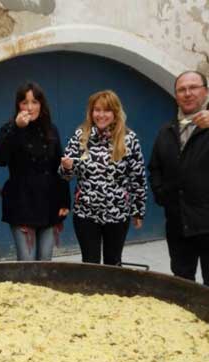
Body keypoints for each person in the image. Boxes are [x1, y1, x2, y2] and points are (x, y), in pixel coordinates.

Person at [59, 90, 146, 266]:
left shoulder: (129, 139)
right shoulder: (80, 136)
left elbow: (138, 177)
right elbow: (65, 175)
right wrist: (66, 166)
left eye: (106, 110)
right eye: (96, 110)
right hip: (86, 213)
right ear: (91, 112)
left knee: (113, 263)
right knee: (90, 263)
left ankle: (111, 293)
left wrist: (138, 210)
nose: (101, 115)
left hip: (117, 213)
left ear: (115, 112)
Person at [149, 71, 209, 289]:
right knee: (181, 284)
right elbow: (155, 167)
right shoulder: (167, 131)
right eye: (181, 89)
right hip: (178, 224)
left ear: (206, 91)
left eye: (193, 87)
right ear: (176, 95)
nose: (188, 93)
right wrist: (162, 195)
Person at [0, 81, 70, 261]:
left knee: (45, 260)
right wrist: (16, 129)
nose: (29, 107)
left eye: (34, 102)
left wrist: (64, 201)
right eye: (24, 102)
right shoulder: (9, 128)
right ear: (18, 105)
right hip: (22, 203)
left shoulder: (52, 129)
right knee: (26, 262)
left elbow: (59, 168)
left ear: (41, 105)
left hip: (49, 203)